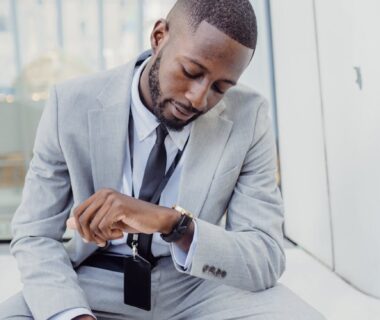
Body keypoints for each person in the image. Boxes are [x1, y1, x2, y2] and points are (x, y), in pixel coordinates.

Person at [0, 0, 325, 319]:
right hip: (96, 279)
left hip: (199, 286)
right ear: (159, 37)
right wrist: (74, 316)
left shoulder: (249, 116)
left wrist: (173, 223)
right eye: (191, 72)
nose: (199, 98)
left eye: (221, 88)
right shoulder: (69, 103)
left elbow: (265, 257)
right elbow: (35, 235)